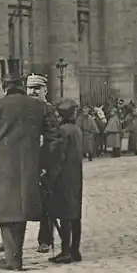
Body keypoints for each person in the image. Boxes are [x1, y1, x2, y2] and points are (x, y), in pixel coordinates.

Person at [0, 59, 62, 271]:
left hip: (0, 170)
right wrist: (42, 163)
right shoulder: (39, 107)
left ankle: (13, 259)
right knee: (19, 211)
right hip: (28, 168)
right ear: (23, 84)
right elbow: (55, 139)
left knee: (7, 213)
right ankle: (14, 256)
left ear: (4, 85)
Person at [26, 72, 61, 254]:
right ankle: (12, 238)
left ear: (45, 90)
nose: (32, 91)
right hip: (25, 163)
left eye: (36, 88)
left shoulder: (48, 110)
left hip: (43, 165)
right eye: (30, 88)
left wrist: (45, 166)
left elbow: (54, 140)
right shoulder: (24, 109)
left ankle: (45, 239)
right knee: (18, 201)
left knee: (47, 203)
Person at [45, 98, 83, 264]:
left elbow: (57, 159)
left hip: (63, 179)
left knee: (64, 217)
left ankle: (65, 251)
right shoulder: (76, 130)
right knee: (75, 216)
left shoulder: (61, 132)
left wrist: (48, 178)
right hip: (75, 178)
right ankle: (75, 250)